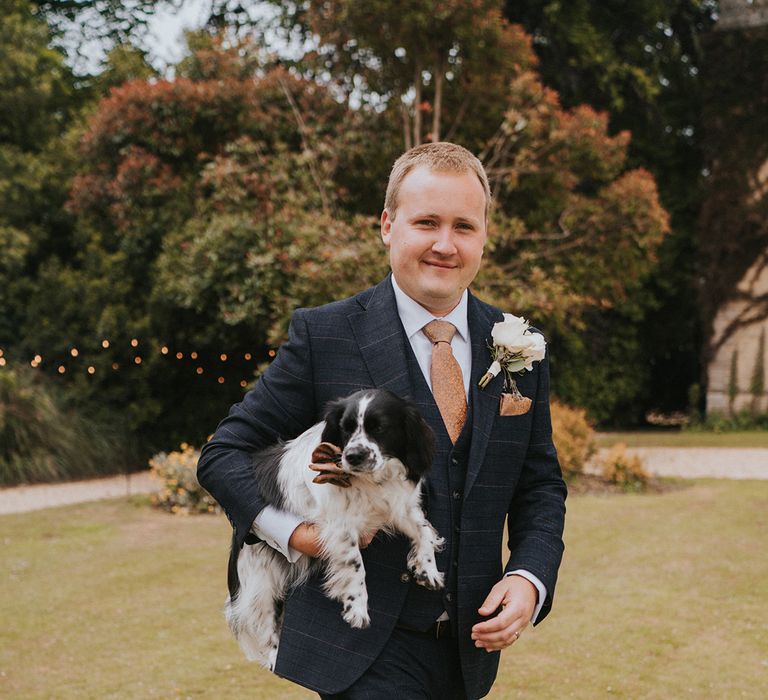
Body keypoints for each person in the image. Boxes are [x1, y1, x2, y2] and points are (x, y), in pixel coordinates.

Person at [197, 142, 566, 699]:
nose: (445, 244)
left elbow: (539, 486)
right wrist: (301, 536)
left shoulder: (517, 347)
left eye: (464, 226)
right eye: (426, 223)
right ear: (388, 225)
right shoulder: (324, 335)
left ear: (485, 235)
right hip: (361, 651)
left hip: (470, 649)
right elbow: (222, 457)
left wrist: (528, 579)